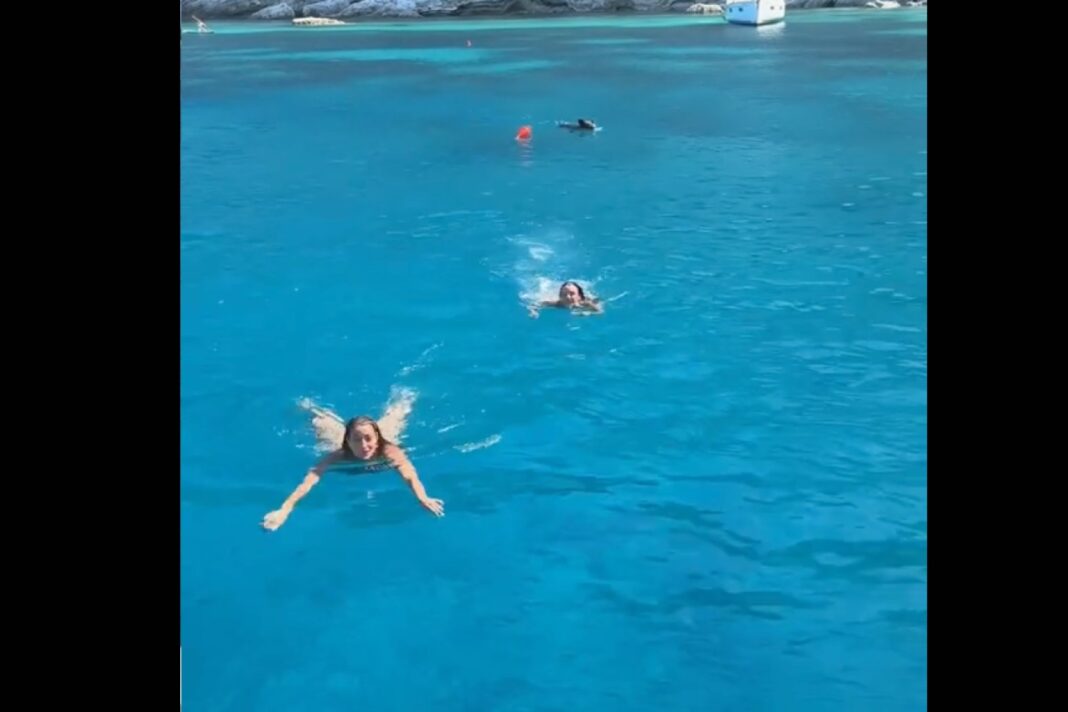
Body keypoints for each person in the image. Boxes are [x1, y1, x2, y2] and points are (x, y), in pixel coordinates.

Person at [261, 391, 444, 531]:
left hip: (384, 435)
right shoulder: (337, 456)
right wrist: (284, 510)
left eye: (368, 439)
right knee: (322, 423)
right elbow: (308, 482)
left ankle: (404, 397)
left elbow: (410, 476)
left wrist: (422, 497)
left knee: (396, 417)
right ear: (347, 441)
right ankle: (310, 407)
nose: (364, 446)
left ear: (377, 439)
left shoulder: (390, 451)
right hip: (337, 438)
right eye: (356, 440)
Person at [528, 281, 604, 318]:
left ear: (579, 296)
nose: (568, 297)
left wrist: (586, 313)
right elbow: (534, 304)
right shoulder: (557, 304)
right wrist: (533, 312)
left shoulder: (586, 303)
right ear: (560, 296)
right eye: (564, 294)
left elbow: (600, 312)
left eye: (572, 294)